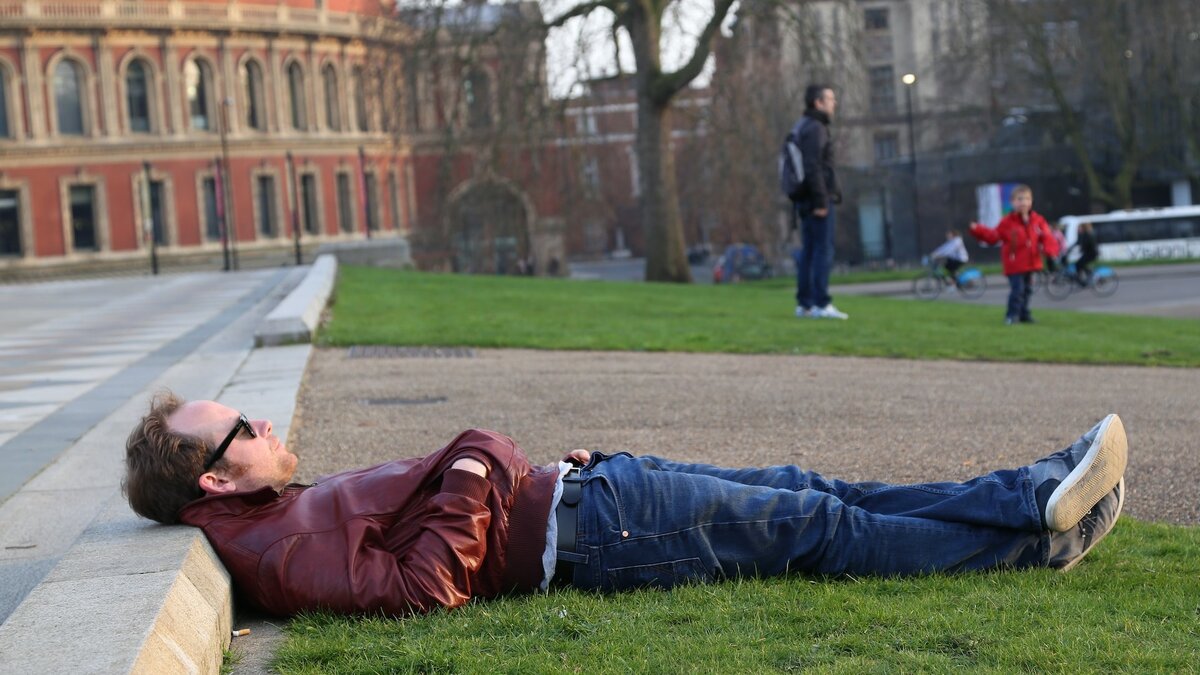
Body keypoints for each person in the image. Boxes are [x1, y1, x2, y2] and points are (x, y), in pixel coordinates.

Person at [123, 393, 1128, 618]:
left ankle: (1031, 493)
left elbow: (418, 531)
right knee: (818, 528)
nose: (262, 423)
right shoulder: (274, 548)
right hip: (599, 532)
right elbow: (424, 588)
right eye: (241, 425)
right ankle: (1031, 539)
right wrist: (476, 461)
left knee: (813, 490)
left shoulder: (272, 516)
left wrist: (504, 472)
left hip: (588, 494)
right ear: (212, 477)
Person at [789, 84, 846, 320]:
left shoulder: (802, 126)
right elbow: (814, 167)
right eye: (830, 99)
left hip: (805, 200)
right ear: (818, 102)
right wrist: (821, 201)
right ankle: (822, 303)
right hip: (817, 201)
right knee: (822, 251)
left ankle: (805, 304)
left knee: (809, 252)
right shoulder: (816, 128)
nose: (834, 103)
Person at [969, 185, 1060, 325]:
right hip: (1015, 264)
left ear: (1031, 201)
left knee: (1027, 290)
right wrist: (978, 230)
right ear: (1013, 202)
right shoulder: (1007, 222)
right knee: (1018, 290)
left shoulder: (1038, 220)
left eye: (1027, 199)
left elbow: (1047, 237)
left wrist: (1050, 252)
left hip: (1031, 262)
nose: (1023, 202)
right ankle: (1012, 315)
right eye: (1020, 199)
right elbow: (993, 236)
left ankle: (1024, 314)